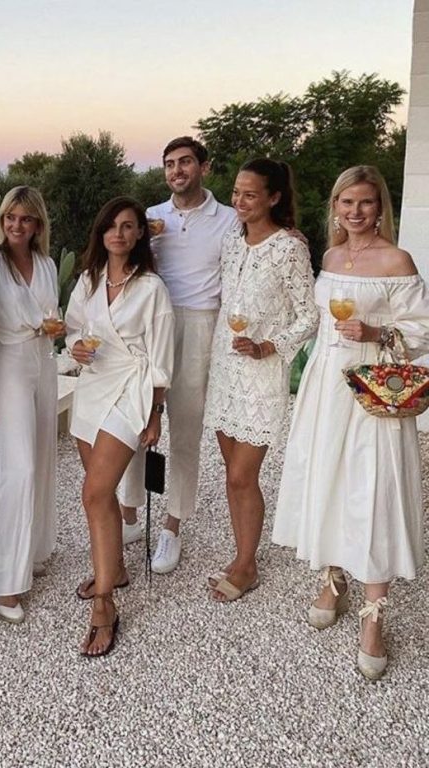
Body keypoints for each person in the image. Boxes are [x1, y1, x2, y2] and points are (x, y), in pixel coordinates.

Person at [272, 166, 429, 680]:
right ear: (335, 207)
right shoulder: (331, 257)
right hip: (325, 386)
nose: (355, 212)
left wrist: (376, 331)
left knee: (374, 489)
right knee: (330, 479)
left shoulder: (396, 260)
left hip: (373, 389)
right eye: (346, 202)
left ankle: (373, 615)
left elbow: (422, 333)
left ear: (380, 206)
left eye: (365, 202)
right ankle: (334, 578)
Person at [115, 137, 236, 577]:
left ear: (204, 166)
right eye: (169, 164)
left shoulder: (229, 219)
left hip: (200, 323)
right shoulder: (151, 217)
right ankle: (129, 517)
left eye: (185, 162)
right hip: (150, 322)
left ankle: (172, 526)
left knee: (185, 430)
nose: (176, 171)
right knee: (134, 421)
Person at [202, 158, 318, 602]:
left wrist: (270, 345)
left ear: (274, 198)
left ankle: (247, 566)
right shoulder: (232, 241)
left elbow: (309, 316)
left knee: (241, 476)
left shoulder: (289, 248)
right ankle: (241, 555)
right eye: (236, 192)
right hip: (225, 369)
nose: (239, 201)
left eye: (250, 194)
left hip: (262, 374)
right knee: (232, 474)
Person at [66, 196, 174, 656]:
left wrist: (155, 412)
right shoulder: (88, 279)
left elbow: (162, 355)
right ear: (101, 232)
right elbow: (73, 328)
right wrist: (76, 347)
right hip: (92, 387)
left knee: (93, 493)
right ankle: (116, 569)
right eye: (111, 225)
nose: (119, 233)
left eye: (128, 226)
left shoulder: (152, 288)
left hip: (131, 389)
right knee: (102, 493)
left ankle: (105, 603)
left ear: (140, 234)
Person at [0, 186, 61, 623]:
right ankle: (3, 582)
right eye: (10, 217)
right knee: (18, 467)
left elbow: (52, 317)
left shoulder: (46, 264)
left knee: (42, 459)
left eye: (25, 218)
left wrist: (56, 329)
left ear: (38, 223)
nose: (16, 225)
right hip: (7, 365)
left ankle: (34, 552)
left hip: (44, 362)